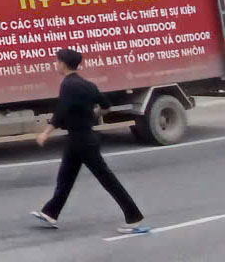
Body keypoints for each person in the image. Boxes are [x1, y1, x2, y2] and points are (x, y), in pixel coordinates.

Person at [31, 48, 146, 234]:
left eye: (57, 61)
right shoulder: (88, 85)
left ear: (63, 64)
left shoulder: (68, 85)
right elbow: (106, 105)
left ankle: (134, 217)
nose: (55, 64)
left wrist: (46, 133)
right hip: (80, 138)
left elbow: (62, 111)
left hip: (82, 140)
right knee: (65, 178)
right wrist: (93, 115)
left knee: (107, 179)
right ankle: (50, 213)